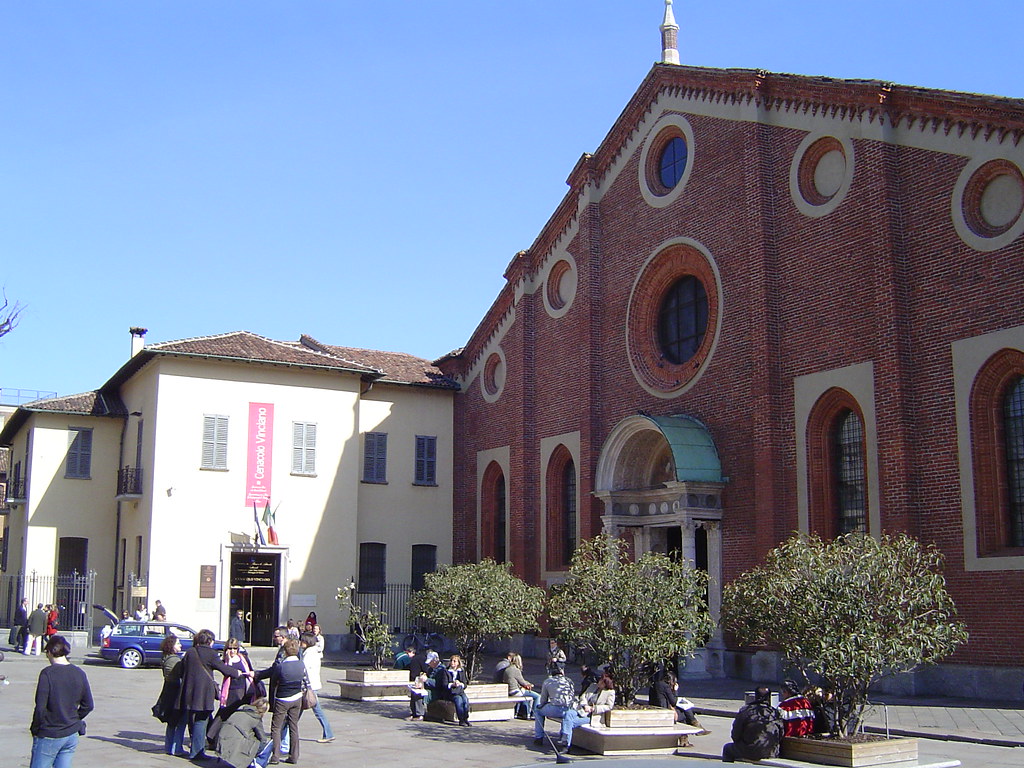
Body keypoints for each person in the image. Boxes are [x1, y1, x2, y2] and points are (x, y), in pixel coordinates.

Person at [177, 628, 249, 760]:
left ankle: (195, 746)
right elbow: (223, 668)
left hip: (188, 691)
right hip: (203, 693)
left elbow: (181, 669)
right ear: (210, 641)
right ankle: (197, 752)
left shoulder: (190, 652)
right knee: (201, 721)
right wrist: (236, 673)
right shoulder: (211, 653)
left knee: (193, 720)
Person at [29, 635, 94, 768]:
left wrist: (35, 729)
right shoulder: (79, 673)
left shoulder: (47, 673)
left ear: (50, 652)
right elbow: (88, 705)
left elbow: (40, 707)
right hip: (71, 733)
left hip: (50, 732)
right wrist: (74, 718)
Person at [256, 636, 305, 765]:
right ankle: (294, 756)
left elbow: (275, 681)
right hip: (297, 698)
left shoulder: (282, 666)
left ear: (286, 651)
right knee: (293, 726)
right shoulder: (301, 664)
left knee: (276, 727)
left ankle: (275, 756)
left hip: (283, 699)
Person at [722, 686, 783, 762]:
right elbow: (780, 733)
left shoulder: (746, 711)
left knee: (727, 749)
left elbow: (735, 734)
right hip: (771, 751)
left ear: (756, 696)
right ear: (769, 698)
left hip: (750, 750)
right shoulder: (775, 713)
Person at [561, 671, 616, 749]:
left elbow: (609, 706)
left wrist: (594, 709)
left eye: (601, 681)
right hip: (582, 710)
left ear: (605, 684)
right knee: (568, 714)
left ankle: (566, 744)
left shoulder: (610, 692)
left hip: (592, 716)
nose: (599, 682)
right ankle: (565, 739)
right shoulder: (593, 686)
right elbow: (583, 696)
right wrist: (585, 705)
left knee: (570, 722)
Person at [215, 696, 272, 768]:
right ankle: (258, 764)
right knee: (266, 744)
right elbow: (263, 739)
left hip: (222, 741)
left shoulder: (240, 710)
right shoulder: (256, 717)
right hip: (235, 743)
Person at [299, 631, 334, 743]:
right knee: (300, 711)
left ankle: (328, 733)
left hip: (309, 686)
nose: (300, 643)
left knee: (315, 710)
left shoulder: (309, 654)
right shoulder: (312, 652)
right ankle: (285, 731)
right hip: (312, 685)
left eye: (302, 641)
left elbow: (304, 670)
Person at [533, 661, 576, 746]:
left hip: (555, 708)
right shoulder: (569, 681)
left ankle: (539, 737)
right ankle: (564, 738)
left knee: (537, 711)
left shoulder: (548, 681)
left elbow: (543, 700)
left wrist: (541, 706)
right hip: (567, 708)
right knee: (567, 716)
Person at [157, 635, 187, 756]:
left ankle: (169, 747)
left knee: (172, 722)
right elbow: (180, 675)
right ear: (171, 646)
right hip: (176, 693)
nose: (180, 645)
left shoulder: (167, 658)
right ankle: (176, 747)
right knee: (180, 721)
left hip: (169, 692)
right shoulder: (174, 660)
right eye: (178, 643)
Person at [504, 652, 540, 718]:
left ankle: (523, 713)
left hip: (509, 691)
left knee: (525, 693)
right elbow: (522, 682)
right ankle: (535, 715)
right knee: (537, 696)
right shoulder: (515, 670)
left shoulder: (507, 669)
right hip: (515, 692)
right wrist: (529, 684)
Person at [404, 647, 430, 721]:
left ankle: (419, 714)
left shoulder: (417, 659)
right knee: (413, 696)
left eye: (408, 653)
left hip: (419, 680)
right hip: (416, 680)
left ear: (412, 652)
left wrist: (422, 678)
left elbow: (424, 669)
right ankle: (414, 713)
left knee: (417, 696)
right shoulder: (416, 659)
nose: (407, 655)